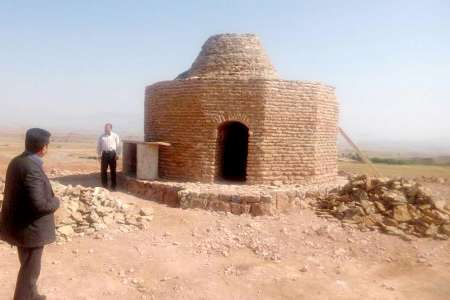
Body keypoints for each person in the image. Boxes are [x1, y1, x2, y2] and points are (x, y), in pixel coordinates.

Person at [0, 128, 60, 300]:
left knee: (28, 265)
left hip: (19, 226)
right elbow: (40, 205)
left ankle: (32, 295)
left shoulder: (16, 161)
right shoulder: (32, 168)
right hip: (30, 229)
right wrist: (56, 202)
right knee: (30, 270)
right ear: (43, 148)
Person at [96, 123, 121, 190]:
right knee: (103, 170)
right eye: (105, 128)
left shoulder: (115, 136)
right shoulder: (101, 136)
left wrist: (118, 154)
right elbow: (99, 146)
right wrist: (99, 154)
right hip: (104, 154)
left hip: (112, 154)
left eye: (107, 128)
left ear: (110, 128)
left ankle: (113, 186)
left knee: (113, 170)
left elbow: (118, 146)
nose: (106, 129)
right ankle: (104, 186)